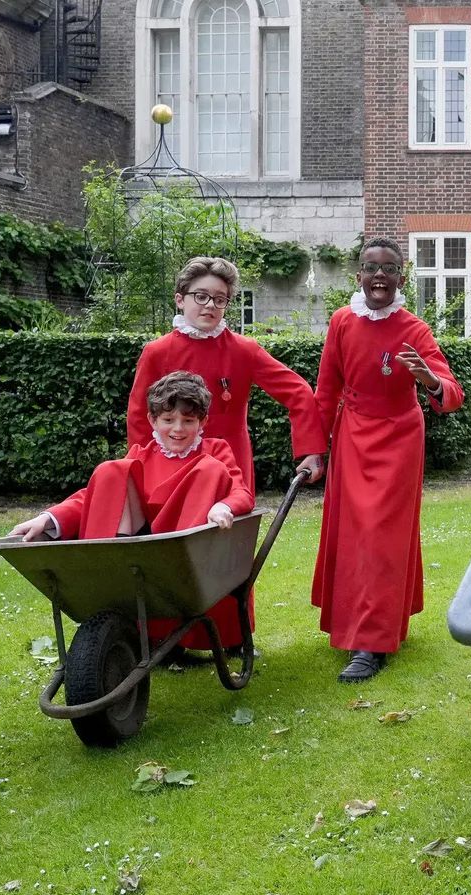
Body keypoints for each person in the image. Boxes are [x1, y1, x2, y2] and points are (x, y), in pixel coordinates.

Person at [126, 256, 326, 651]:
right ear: (180, 299)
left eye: (220, 299)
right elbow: (138, 416)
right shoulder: (157, 352)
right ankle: (166, 642)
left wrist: (311, 451)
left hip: (229, 470)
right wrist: (141, 468)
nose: (210, 306)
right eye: (201, 296)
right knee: (169, 553)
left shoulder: (243, 350)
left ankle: (234, 637)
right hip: (170, 471)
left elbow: (299, 393)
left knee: (228, 554)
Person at [311, 237, 465, 683]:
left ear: (402, 277)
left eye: (389, 268)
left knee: (382, 536)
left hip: (399, 439)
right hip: (352, 437)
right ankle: (359, 623)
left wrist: (430, 380)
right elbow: (326, 390)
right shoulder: (342, 321)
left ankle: (372, 643)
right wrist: (313, 451)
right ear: (358, 275)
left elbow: (452, 392)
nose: (380, 275)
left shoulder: (414, 329)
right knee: (355, 534)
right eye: (370, 267)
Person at [11, 372, 250, 550]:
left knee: (210, 467)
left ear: (202, 422)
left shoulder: (215, 450)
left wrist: (223, 506)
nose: (178, 429)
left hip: (182, 544)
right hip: (139, 536)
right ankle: (114, 550)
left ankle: (174, 557)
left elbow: (242, 493)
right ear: (153, 420)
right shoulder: (140, 454)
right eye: (168, 420)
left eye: (188, 421)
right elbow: (94, 496)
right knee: (113, 469)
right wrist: (47, 518)